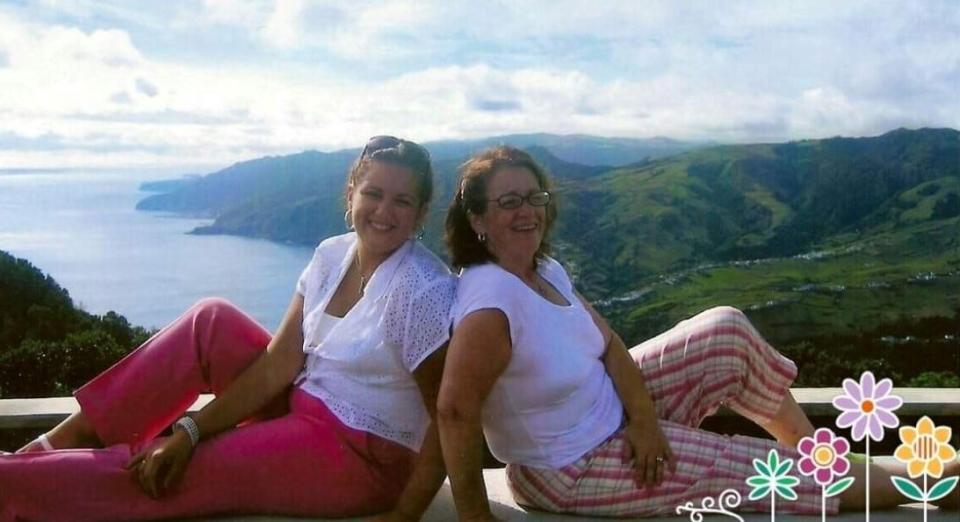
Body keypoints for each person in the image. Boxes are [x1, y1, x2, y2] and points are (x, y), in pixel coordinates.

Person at [437, 146, 959, 519]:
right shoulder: (490, 303)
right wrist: (475, 517)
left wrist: (643, 420)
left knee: (724, 330)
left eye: (535, 197)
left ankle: (813, 449)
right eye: (508, 202)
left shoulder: (541, 269)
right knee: (764, 471)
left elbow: (611, 346)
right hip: (567, 466)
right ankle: (932, 482)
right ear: (477, 219)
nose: (527, 212)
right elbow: (455, 412)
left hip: (612, 415)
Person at [0, 136, 455, 522]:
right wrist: (192, 429)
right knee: (211, 320)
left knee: (169, 470)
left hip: (361, 457)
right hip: (302, 405)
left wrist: (405, 514)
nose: (384, 211)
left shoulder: (420, 291)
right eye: (374, 193)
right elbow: (278, 364)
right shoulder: (331, 256)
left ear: (420, 213)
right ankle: (57, 445)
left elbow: (447, 415)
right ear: (352, 191)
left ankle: (11, 482)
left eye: (403, 201)